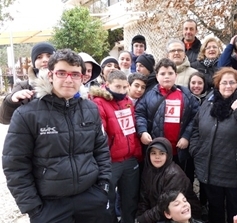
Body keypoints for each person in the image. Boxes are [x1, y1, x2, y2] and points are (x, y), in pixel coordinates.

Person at [2, 49, 112, 223]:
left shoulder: (90, 109)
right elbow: (15, 164)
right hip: (50, 206)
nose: (69, 79)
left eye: (75, 74)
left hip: (91, 199)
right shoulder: (27, 113)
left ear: (82, 78)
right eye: (62, 73)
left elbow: (101, 150)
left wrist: (103, 187)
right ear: (50, 75)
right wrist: (33, 208)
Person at [189, 67, 237, 223]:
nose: (228, 86)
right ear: (217, 85)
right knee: (215, 211)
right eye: (224, 82)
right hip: (210, 170)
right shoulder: (209, 104)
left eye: (232, 82)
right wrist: (196, 150)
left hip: (235, 173)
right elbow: (196, 128)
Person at [135, 58, 199, 184]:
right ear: (157, 76)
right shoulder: (148, 95)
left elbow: (195, 116)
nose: (167, 77)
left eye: (170, 73)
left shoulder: (186, 94)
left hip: (179, 150)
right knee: (157, 183)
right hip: (157, 150)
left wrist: (186, 136)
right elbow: (139, 114)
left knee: (181, 182)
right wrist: (142, 131)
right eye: (163, 74)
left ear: (176, 75)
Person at [90, 70, 142, 223]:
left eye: (125, 87)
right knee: (108, 199)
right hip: (111, 161)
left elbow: (132, 130)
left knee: (130, 198)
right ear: (108, 85)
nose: (121, 90)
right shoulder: (99, 103)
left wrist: (137, 153)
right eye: (117, 87)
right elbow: (100, 135)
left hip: (130, 158)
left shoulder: (128, 102)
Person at [136, 137, 201, 223]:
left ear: (168, 155)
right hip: (161, 212)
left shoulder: (174, 174)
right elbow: (143, 196)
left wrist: (144, 219)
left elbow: (165, 205)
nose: (157, 157)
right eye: (153, 153)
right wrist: (140, 215)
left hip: (181, 215)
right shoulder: (148, 170)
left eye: (162, 153)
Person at [0, 42, 55, 124]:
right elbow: (4, 120)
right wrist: (11, 100)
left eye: (49, 56)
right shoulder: (23, 86)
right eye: (39, 57)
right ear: (33, 62)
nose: (45, 60)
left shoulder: (65, 84)